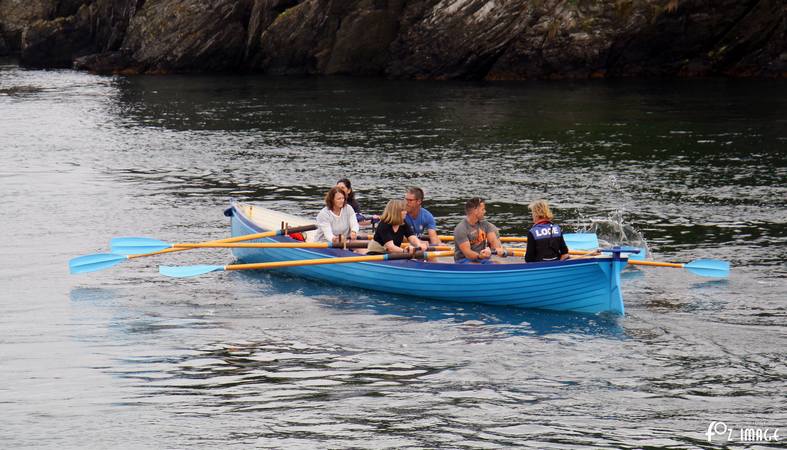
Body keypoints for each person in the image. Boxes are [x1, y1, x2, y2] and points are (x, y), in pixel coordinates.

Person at [453, 197, 506, 263]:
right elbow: (468, 254)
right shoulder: (461, 229)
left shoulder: (485, 224)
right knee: (478, 266)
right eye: (483, 209)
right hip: (463, 260)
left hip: (481, 258)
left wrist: (498, 249)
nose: (485, 212)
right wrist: (480, 256)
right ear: (475, 211)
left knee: (497, 264)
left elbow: (493, 241)